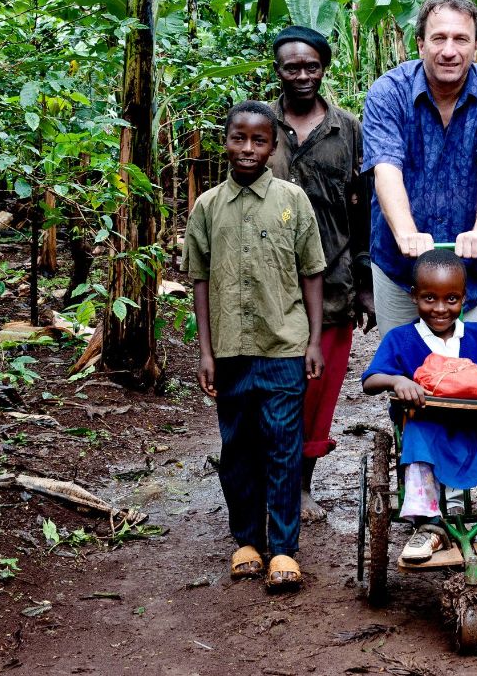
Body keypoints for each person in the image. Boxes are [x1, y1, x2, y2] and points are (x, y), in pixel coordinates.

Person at [184, 100, 326, 592]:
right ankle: (246, 540)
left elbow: (312, 272)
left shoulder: (293, 201)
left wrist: (312, 340)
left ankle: (284, 549)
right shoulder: (207, 207)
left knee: (284, 448)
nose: (247, 149)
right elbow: (200, 280)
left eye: (259, 140)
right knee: (237, 447)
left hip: (283, 347)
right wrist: (206, 351)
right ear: (224, 141)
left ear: (273, 145)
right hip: (229, 351)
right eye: (238, 138)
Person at [361, 249, 477, 563]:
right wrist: (397, 381)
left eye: (452, 299)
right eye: (429, 299)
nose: (440, 309)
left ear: (464, 298)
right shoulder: (400, 339)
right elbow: (370, 380)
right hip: (432, 434)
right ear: (414, 295)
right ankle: (428, 525)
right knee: (415, 429)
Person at [362, 0, 477, 334]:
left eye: (461, 39)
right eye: (438, 38)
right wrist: (405, 233)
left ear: (476, 47)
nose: (449, 50)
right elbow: (385, 168)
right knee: (402, 371)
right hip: (398, 264)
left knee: (459, 373)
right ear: (420, 44)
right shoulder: (388, 92)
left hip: (467, 265)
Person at [268, 25, 376, 522]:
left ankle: (301, 487)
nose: (303, 75)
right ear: (278, 70)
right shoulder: (259, 125)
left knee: (317, 391)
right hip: (268, 283)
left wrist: (366, 285)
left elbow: (362, 210)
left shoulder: (347, 129)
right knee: (272, 387)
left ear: (324, 67)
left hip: (333, 283)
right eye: (293, 66)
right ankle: (269, 484)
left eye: (311, 65)